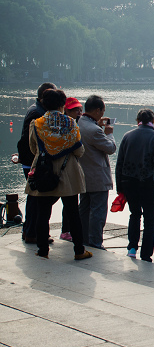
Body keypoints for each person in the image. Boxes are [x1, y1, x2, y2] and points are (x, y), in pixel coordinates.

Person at [26, 88, 92, 260]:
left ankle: (42, 250)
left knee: (43, 213)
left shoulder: (37, 123)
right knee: (72, 213)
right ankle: (79, 250)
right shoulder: (71, 123)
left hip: (43, 172)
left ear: (44, 103)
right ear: (63, 104)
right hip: (68, 173)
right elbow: (79, 151)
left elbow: (34, 148)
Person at [116, 108, 154, 262]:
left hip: (129, 181)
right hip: (149, 182)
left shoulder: (127, 136)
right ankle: (146, 254)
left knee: (135, 214)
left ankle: (132, 248)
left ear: (137, 120)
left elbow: (119, 163)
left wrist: (120, 187)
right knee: (150, 220)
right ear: (153, 120)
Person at [17, 82, 56, 244]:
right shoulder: (37, 113)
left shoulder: (37, 109)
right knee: (37, 198)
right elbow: (32, 142)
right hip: (32, 161)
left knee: (35, 198)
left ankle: (29, 231)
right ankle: (33, 232)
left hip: (30, 159)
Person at [77, 95, 116, 250]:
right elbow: (111, 148)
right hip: (98, 177)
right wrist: (109, 133)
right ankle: (95, 242)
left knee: (84, 209)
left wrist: (98, 126)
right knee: (98, 212)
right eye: (102, 111)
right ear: (98, 110)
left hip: (83, 174)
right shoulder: (94, 131)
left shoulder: (79, 123)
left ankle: (83, 238)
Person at [57, 97, 83, 242]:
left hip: (66, 168)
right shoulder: (69, 125)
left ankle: (66, 230)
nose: (78, 112)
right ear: (66, 109)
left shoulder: (74, 123)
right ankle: (67, 232)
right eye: (75, 110)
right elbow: (79, 150)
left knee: (68, 202)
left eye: (79, 109)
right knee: (70, 202)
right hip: (67, 169)